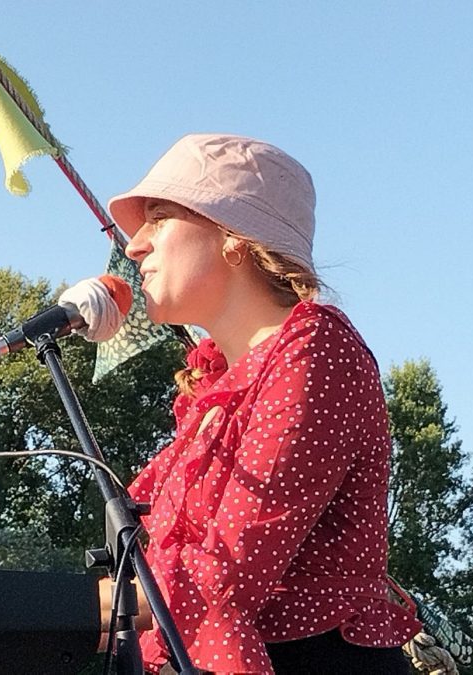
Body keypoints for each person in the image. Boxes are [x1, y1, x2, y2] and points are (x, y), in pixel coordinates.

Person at [105, 134, 421, 674]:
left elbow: (225, 569)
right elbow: (145, 549)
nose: (135, 246)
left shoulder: (316, 351)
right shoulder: (216, 387)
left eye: (158, 218)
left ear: (235, 236)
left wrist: (60, 612)